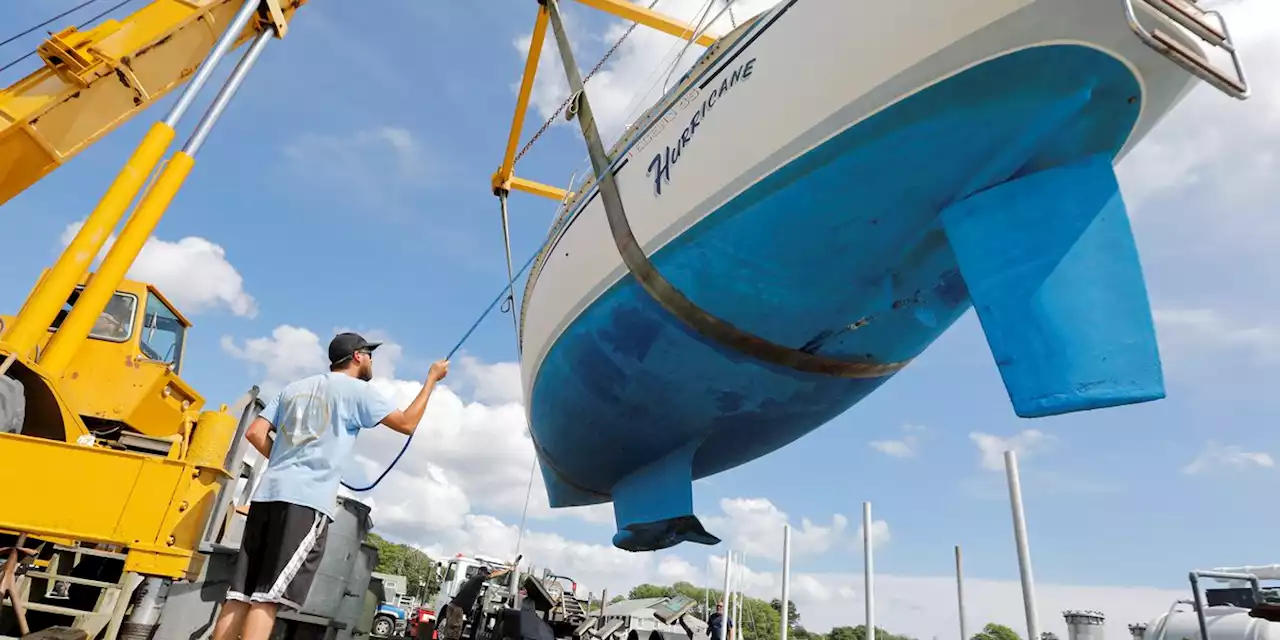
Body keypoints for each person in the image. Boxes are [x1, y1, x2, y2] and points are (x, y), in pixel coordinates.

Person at [212, 332, 450, 640]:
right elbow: (406, 423)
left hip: (267, 497)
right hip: (305, 503)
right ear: (357, 357)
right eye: (369, 354)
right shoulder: (357, 391)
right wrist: (432, 379)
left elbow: (256, 432)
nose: (372, 360)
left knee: (240, 594)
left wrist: (285, 460)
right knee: (266, 598)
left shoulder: (292, 389)